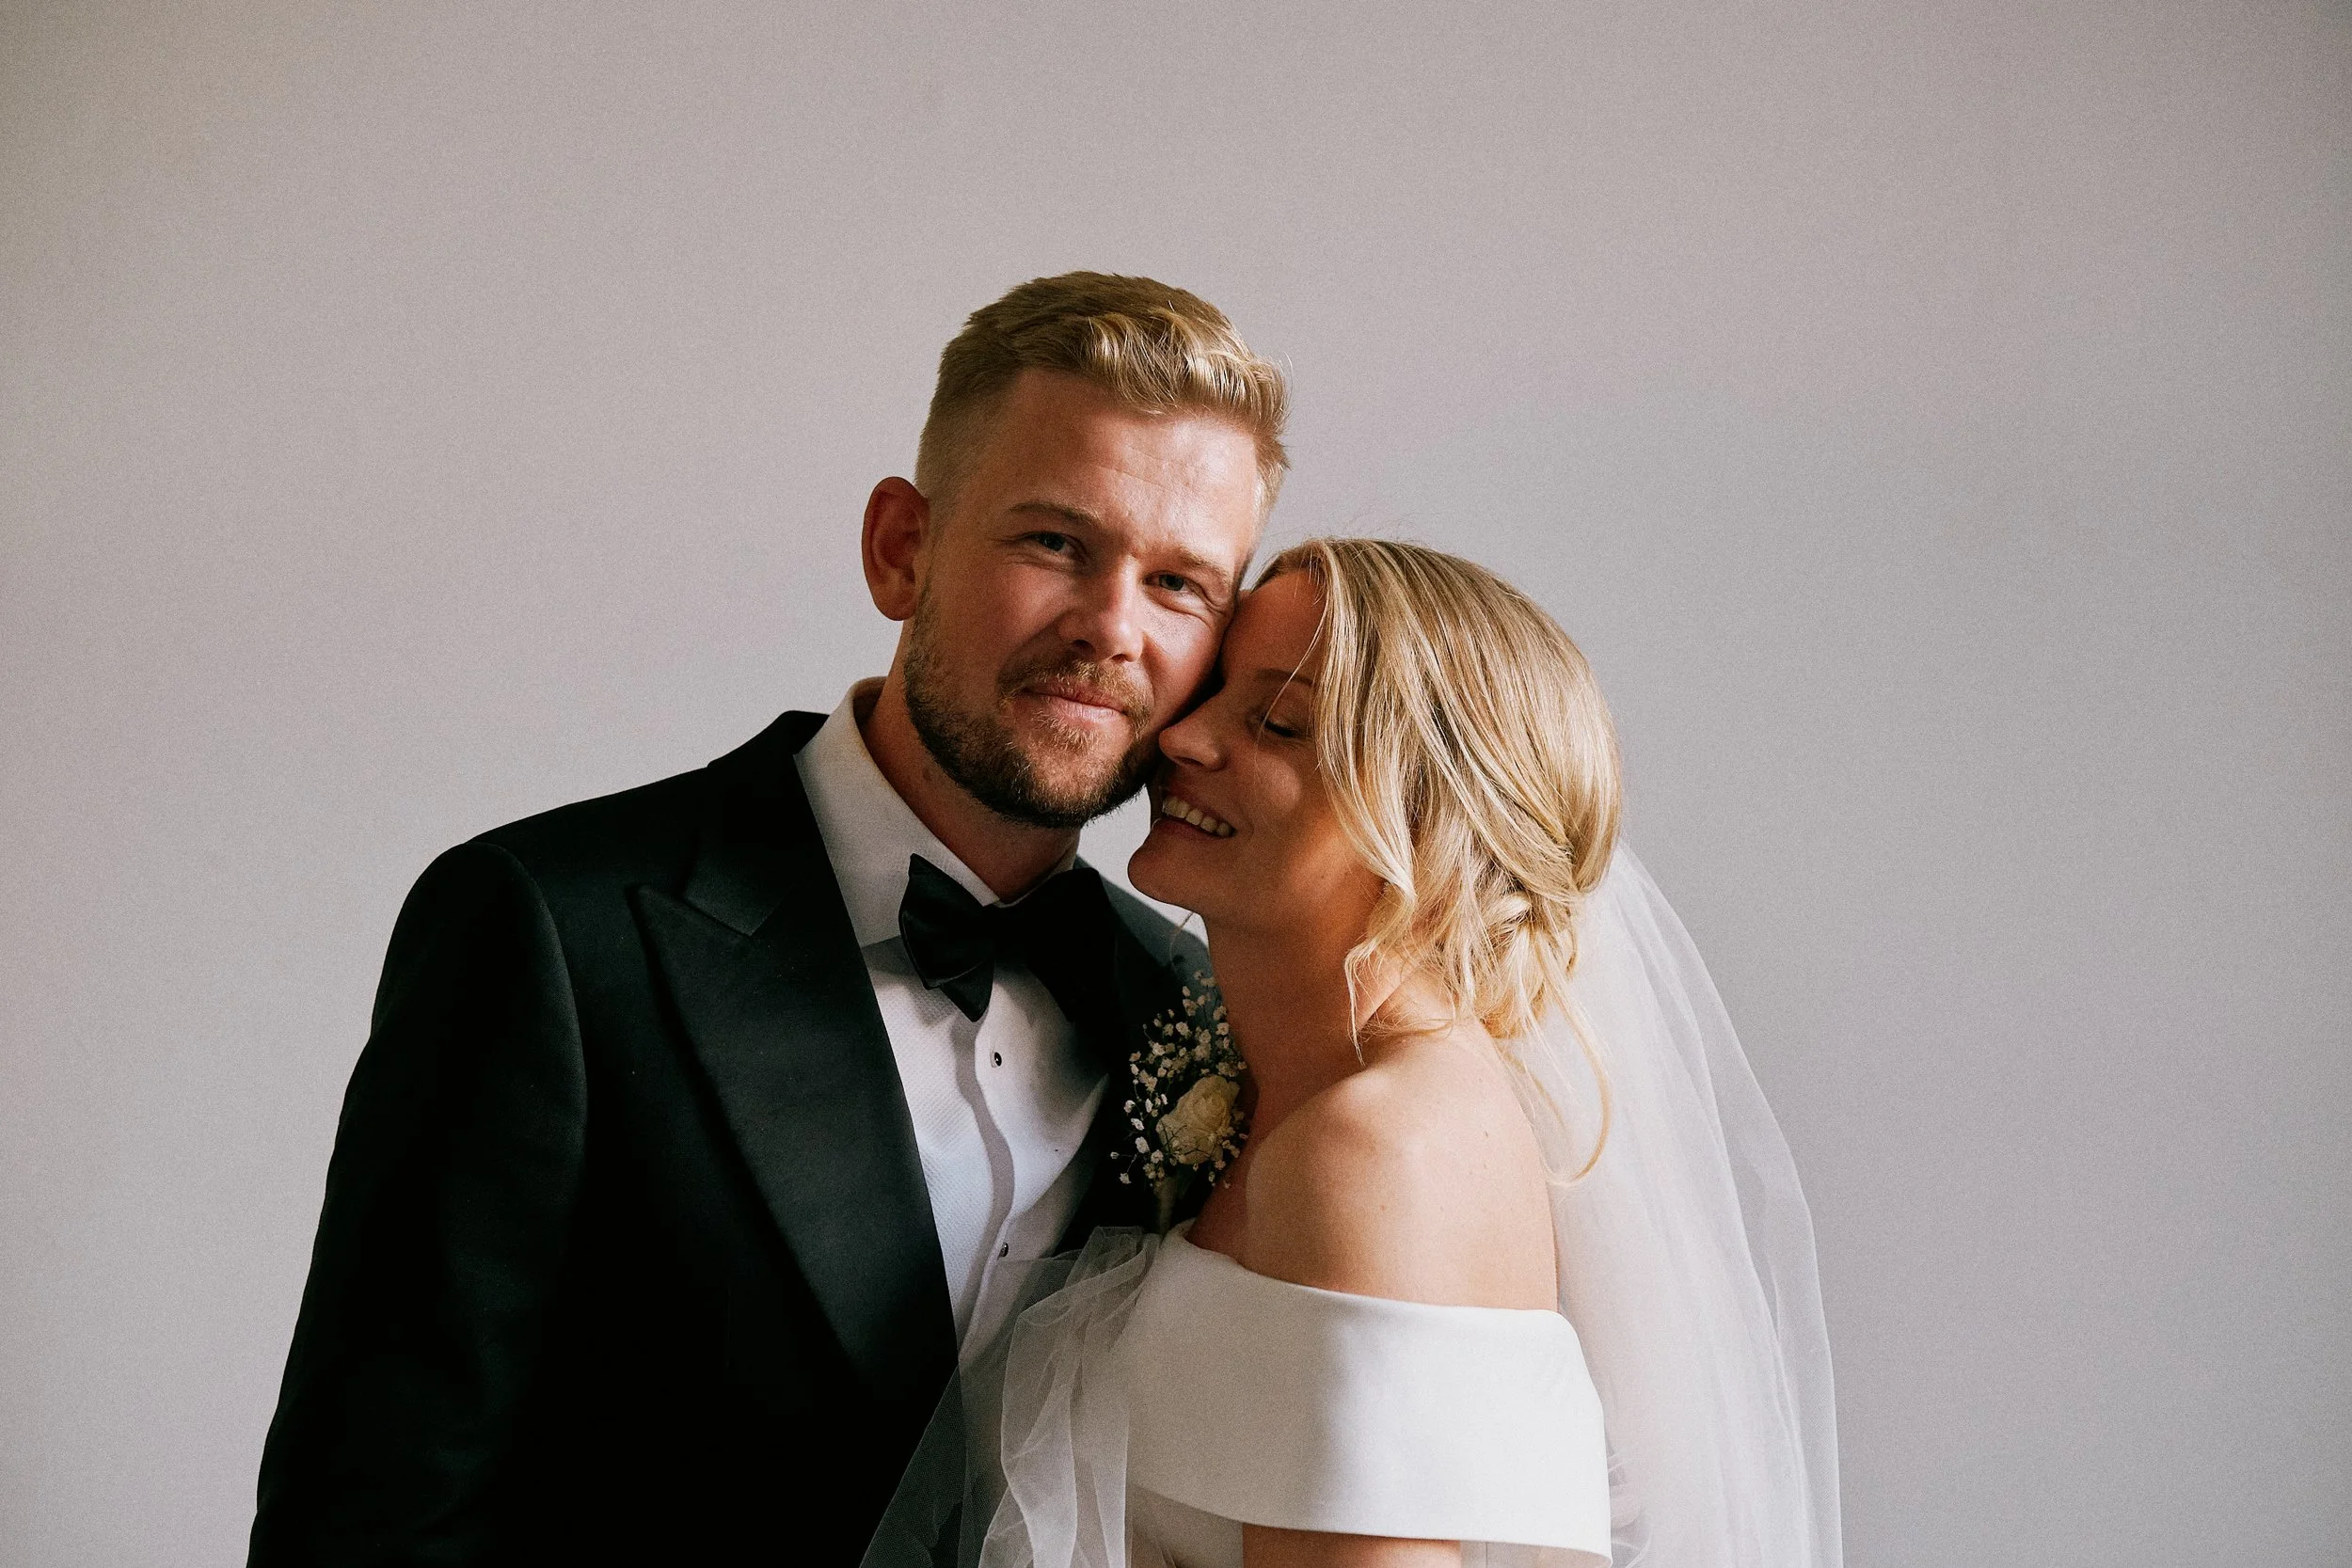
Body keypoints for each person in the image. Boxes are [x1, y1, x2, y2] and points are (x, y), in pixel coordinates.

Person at [246, 273, 1289, 1566]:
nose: (1112, 627)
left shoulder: (1197, 1001)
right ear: (900, 546)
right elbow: (370, 1522)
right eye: (1055, 543)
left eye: (1182, 583)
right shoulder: (551, 931)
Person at [953, 540, 1841, 1568]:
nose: (1182, 736)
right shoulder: (1296, 1094)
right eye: (1211, 690)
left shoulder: (1376, 1153)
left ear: (1427, 815)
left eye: (1277, 721)